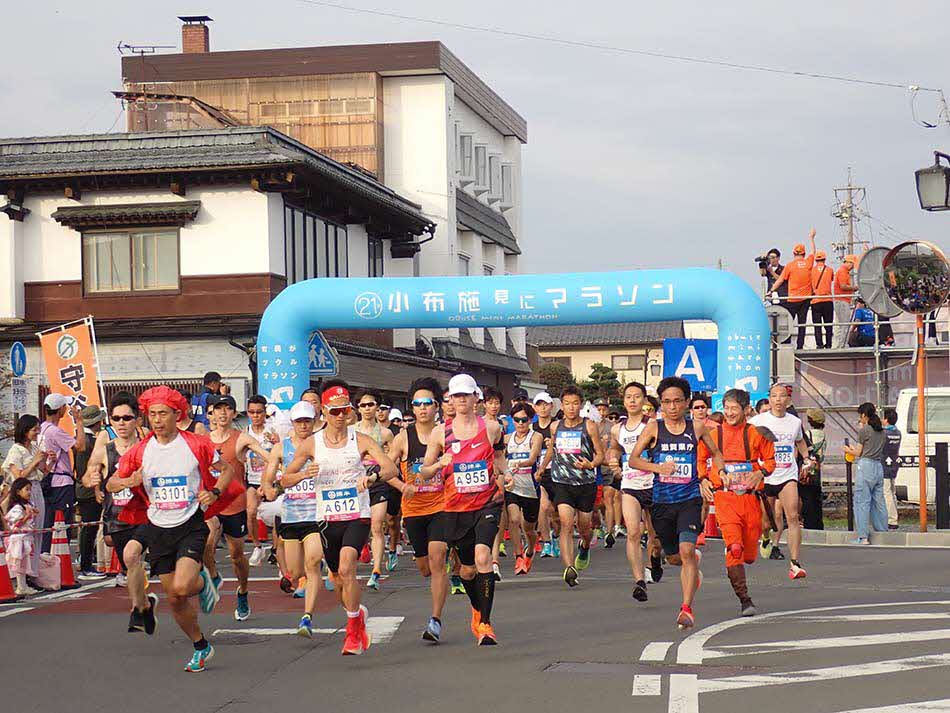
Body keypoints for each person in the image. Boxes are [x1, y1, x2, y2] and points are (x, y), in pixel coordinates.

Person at [113, 386, 242, 672]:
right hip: (158, 527)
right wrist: (127, 482)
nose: (157, 420)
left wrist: (215, 492)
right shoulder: (140, 451)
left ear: (177, 414)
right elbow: (112, 483)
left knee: (182, 587)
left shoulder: (196, 444)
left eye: (163, 413)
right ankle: (200, 645)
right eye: (152, 414)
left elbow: (227, 470)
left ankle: (201, 580)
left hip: (190, 524)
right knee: (174, 597)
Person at [280, 383, 399, 655]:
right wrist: (303, 474)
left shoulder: (362, 440)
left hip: (357, 514)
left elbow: (390, 467)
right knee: (337, 579)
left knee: (347, 567)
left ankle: (353, 630)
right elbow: (285, 479)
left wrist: (372, 477)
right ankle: (356, 614)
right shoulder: (312, 443)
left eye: (345, 410)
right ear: (324, 412)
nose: (340, 416)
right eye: (335, 411)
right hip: (326, 519)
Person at [628, 376, 724, 629]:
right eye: (667, 402)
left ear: (687, 402)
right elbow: (634, 460)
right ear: (661, 403)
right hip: (662, 502)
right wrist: (658, 468)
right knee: (674, 557)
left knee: (687, 551)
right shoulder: (654, 428)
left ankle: (686, 609)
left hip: (689, 499)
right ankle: (692, 569)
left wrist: (717, 474)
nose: (672, 407)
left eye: (678, 401)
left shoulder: (697, 428)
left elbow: (716, 454)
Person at [418, 373, 507, 646]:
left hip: (488, 502)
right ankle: (477, 610)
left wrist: (505, 474)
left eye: (466, 395)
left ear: (475, 398)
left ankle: (486, 625)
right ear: (450, 399)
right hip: (456, 509)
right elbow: (423, 472)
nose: (461, 400)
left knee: (483, 557)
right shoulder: (440, 432)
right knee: (467, 571)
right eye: (456, 396)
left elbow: (500, 457)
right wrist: (438, 464)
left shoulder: (491, 428)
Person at [698, 389, 775, 617]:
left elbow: (771, 461)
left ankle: (746, 551)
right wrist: (703, 479)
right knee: (735, 548)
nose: (730, 413)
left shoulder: (756, 433)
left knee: (748, 555)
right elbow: (700, 459)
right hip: (725, 499)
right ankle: (745, 599)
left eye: (734, 408)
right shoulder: (713, 434)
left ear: (746, 409)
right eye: (726, 408)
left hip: (750, 500)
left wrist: (760, 472)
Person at [84, 392, 155, 630]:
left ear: (137, 420)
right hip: (117, 517)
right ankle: (144, 604)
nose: (121, 423)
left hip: (146, 514)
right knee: (130, 567)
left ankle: (136, 610)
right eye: (116, 418)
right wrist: (91, 479)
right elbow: (87, 475)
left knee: (132, 556)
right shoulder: (105, 450)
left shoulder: (148, 448)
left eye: (127, 418)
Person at [386, 378, 448, 642]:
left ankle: (435, 620)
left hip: (442, 506)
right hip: (413, 510)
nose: (423, 408)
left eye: (427, 403)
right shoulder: (403, 438)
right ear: (412, 407)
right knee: (425, 567)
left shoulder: (446, 433)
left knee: (437, 558)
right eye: (417, 403)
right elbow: (386, 470)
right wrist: (402, 486)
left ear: (437, 406)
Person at [261, 400, 325, 638]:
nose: (303, 426)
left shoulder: (322, 445)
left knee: (313, 562)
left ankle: (307, 617)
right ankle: (305, 575)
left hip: (315, 514)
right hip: (290, 515)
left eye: (307, 421)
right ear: (292, 423)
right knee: (296, 572)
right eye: (299, 421)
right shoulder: (281, 448)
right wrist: (268, 488)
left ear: (314, 422)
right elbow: (268, 477)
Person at [203, 394, 269, 622]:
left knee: (236, 555)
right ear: (211, 413)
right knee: (207, 541)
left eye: (227, 409)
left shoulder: (241, 438)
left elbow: (267, 456)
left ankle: (243, 591)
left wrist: (270, 477)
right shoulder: (202, 439)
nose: (222, 413)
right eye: (218, 409)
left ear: (233, 413)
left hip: (234, 503)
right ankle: (213, 576)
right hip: (210, 502)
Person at [750, 383, 814, 577]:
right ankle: (766, 537)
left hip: (787, 474)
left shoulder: (794, 422)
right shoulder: (757, 421)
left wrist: (807, 458)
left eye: (782, 396)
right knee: (766, 522)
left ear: (788, 400)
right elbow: (746, 441)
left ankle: (795, 563)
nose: (778, 399)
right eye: (774, 396)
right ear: (769, 399)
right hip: (766, 475)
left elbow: (799, 440)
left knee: (793, 517)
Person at [607, 381, 661, 602]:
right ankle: (639, 581)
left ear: (644, 400)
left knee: (655, 538)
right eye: (628, 397)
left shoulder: (653, 424)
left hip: (653, 483)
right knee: (633, 532)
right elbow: (614, 448)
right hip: (630, 484)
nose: (632, 400)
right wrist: (613, 459)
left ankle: (655, 558)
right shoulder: (617, 428)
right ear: (624, 400)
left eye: (637, 396)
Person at [355, 389, 397, 590]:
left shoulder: (386, 433)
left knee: (377, 525)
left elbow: (393, 458)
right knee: (357, 525)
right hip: (356, 482)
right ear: (358, 408)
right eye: (363, 405)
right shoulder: (351, 430)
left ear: (377, 407)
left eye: (371, 404)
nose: (367, 409)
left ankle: (376, 570)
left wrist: (384, 465)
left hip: (378, 481)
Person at [2, 415, 49, 584]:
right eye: (34, 429)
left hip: (36, 489)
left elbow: (43, 473)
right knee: (22, 535)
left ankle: (33, 573)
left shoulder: (34, 448)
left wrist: (47, 461)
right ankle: (21, 576)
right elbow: (19, 477)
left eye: (38, 429)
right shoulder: (16, 450)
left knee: (37, 531)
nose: (37, 432)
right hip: (22, 494)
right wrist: (34, 461)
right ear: (25, 430)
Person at [39, 394, 86, 553]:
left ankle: (46, 558)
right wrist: (79, 421)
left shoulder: (41, 429)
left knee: (48, 524)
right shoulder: (55, 431)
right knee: (62, 525)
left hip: (46, 481)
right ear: (60, 410)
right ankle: (60, 560)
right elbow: (80, 446)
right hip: (61, 482)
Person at [503, 402, 543, 575]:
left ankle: (530, 549)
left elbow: (533, 458)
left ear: (530, 420)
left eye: (524, 420)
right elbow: (499, 458)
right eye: (517, 420)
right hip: (512, 487)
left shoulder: (536, 437)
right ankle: (518, 556)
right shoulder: (507, 439)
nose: (520, 424)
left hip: (530, 489)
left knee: (529, 529)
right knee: (513, 520)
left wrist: (520, 463)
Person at [844, 403, 889, 545]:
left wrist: (847, 450)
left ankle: (863, 537)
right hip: (878, 466)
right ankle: (883, 533)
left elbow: (858, 452)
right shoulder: (882, 431)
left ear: (864, 415)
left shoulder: (864, 431)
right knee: (879, 501)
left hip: (865, 466)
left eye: (860, 415)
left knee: (862, 501)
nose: (860, 418)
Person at [244, 395, 280, 567]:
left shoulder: (272, 430)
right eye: (252, 412)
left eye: (259, 412)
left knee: (277, 516)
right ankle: (257, 546)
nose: (255, 416)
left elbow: (281, 453)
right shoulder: (245, 432)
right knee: (251, 511)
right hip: (252, 479)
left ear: (265, 412)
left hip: (272, 479)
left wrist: (277, 442)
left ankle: (276, 549)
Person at [769, 229, 818, 349]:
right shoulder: (808, 263)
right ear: (804, 254)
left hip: (792, 300)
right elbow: (814, 252)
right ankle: (800, 346)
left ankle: (787, 344)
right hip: (805, 299)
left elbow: (780, 280)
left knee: (789, 322)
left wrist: (771, 291)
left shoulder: (790, 266)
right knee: (802, 323)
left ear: (793, 253)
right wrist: (811, 238)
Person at [75, 406, 107, 579]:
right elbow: (91, 470)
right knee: (89, 528)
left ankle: (86, 563)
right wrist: (96, 489)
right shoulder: (90, 442)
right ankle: (86, 565)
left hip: (83, 488)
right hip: (89, 489)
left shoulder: (83, 439)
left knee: (89, 528)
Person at [533, 392, 560, 559]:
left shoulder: (558, 426)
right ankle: (547, 543)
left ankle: (555, 536)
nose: (543, 408)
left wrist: (554, 445)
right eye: (539, 404)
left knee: (557, 515)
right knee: (543, 507)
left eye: (546, 404)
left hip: (558, 473)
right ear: (534, 408)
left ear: (551, 406)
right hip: (539, 473)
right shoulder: (531, 428)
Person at [3, 478, 40, 595]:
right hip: (19, 539)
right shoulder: (17, 508)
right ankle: (21, 586)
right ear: (18, 492)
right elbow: (14, 524)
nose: (29, 492)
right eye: (27, 489)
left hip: (26, 538)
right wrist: (26, 517)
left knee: (24, 563)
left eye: (30, 489)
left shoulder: (28, 505)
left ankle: (23, 586)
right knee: (20, 564)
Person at [800, 409, 826, 530]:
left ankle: (808, 523)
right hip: (817, 468)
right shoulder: (823, 435)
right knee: (816, 497)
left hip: (808, 468)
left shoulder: (808, 434)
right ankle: (818, 524)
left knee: (807, 497)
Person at [882, 408, 902, 530]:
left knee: (886, 492)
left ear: (886, 420)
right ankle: (894, 517)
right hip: (894, 464)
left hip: (884, 464)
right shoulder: (898, 432)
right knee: (892, 492)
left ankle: (891, 520)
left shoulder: (883, 433)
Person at [811, 251, 834, 349]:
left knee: (817, 325)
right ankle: (829, 344)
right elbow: (831, 279)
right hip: (828, 300)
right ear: (824, 259)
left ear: (816, 260)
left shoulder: (812, 271)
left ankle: (819, 344)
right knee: (828, 324)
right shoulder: (830, 270)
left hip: (815, 300)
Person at [833, 255, 857, 348]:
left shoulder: (843, 271)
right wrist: (854, 288)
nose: (853, 267)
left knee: (840, 324)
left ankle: (839, 344)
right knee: (844, 324)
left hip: (841, 301)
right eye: (852, 264)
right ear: (849, 263)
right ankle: (842, 345)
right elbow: (843, 286)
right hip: (842, 301)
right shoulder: (843, 271)